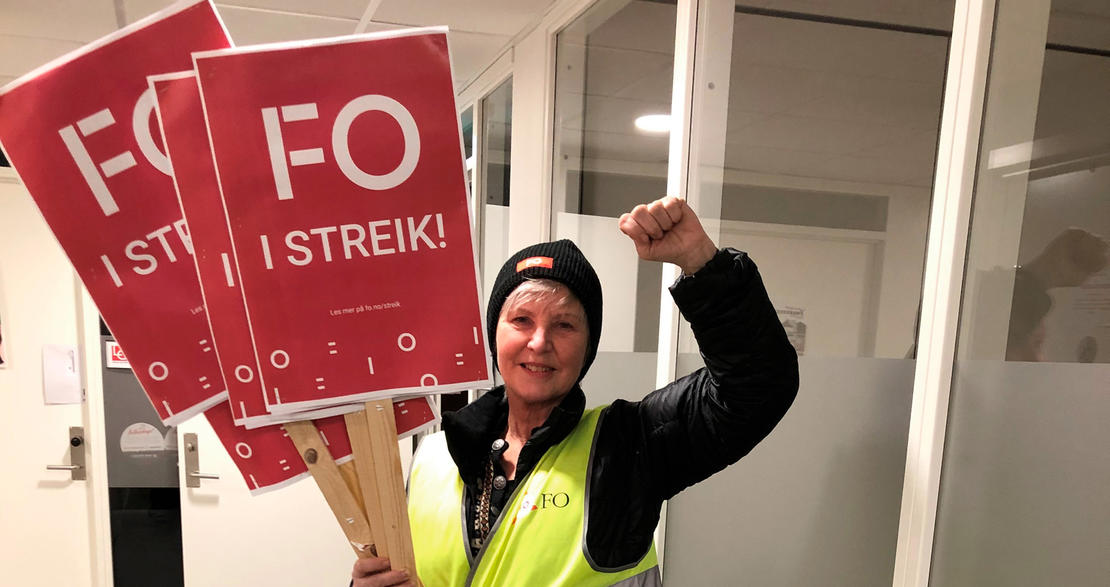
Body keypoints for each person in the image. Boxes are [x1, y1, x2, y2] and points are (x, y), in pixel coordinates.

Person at [353, 196, 799, 586]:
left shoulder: (628, 449)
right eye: (521, 320)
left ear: (588, 347)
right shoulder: (431, 458)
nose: (539, 342)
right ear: (494, 334)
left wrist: (703, 263)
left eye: (564, 325)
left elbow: (756, 385)